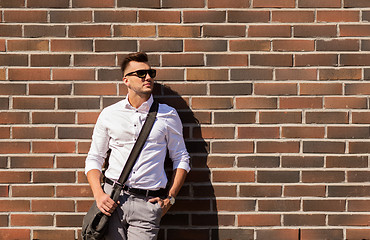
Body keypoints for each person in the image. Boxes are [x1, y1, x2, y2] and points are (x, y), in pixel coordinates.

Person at [85, 52, 191, 240]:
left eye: (150, 73)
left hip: (147, 204)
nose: (148, 77)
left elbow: (181, 157)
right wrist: (99, 195)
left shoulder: (168, 115)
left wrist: (171, 198)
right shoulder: (110, 114)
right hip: (112, 202)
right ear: (126, 80)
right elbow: (95, 157)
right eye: (141, 74)